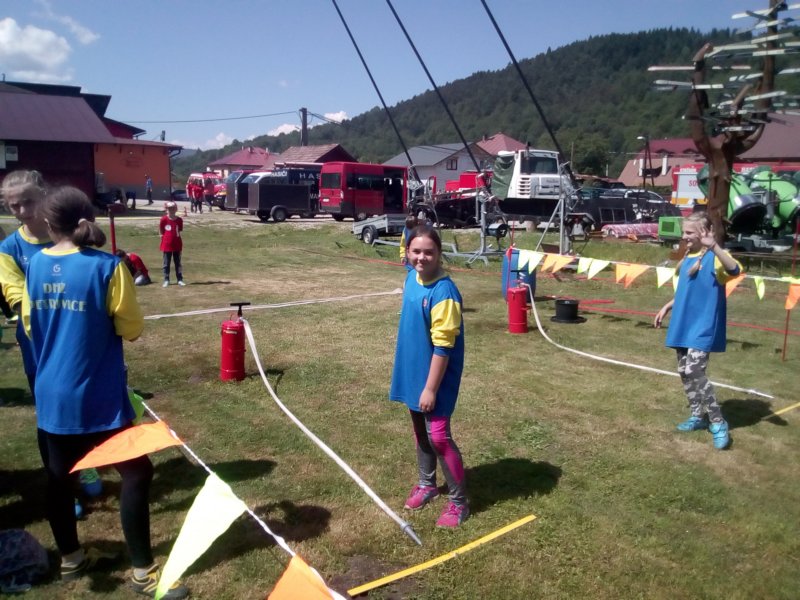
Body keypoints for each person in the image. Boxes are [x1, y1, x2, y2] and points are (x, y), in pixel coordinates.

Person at [20, 186, 188, 598]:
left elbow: (27, 322)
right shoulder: (108, 267)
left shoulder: (36, 264)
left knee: (60, 479)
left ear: (48, 223)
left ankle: (71, 560)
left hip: (51, 392)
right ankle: (143, 572)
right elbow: (132, 328)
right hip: (95, 392)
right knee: (137, 472)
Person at [389, 225, 468, 528]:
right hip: (412, 369)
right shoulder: (412, 277)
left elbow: (444, 347)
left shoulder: (444, 293)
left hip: (436, 376)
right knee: (420, 431)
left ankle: (459, 503)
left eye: (428, 252)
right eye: (416, 251)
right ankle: (427, 484)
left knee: (438, 437)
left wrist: (431, 389)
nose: (421, 258)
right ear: (407, 252)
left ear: (439, 253)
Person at [654, 212, 742, 450]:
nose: (684, 236)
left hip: (703, 324)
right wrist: (667, 306)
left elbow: (734, 270)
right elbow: (687, 292)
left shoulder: (715, 258)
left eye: (689, 232)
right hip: (683, 322)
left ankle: (718, 421)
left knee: (694, 370)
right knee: (683, 370)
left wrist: (714, 246)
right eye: (684, 232)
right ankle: (696, 415)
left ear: (705, 233)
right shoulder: (687, 259)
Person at [159, 201, 185, 287]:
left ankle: (180, 279)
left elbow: (179, 230)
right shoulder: (163, 219)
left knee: (178, 263)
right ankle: (166, 279)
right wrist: (163, 238)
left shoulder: (179, 220)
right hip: (167, 245)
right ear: (166, 209)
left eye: (173, 208)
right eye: (169, 209)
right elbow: (161, 230)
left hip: (177, 244)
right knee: (166, 263)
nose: (171, 210)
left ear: (176, 209)